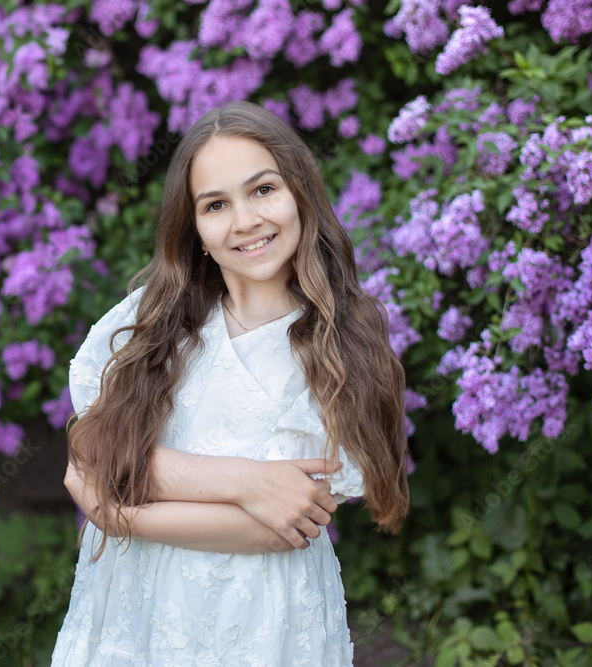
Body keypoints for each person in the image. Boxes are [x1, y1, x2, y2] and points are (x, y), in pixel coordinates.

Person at [51, 100, 410, 666]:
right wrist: (245, 481)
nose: (245, 221)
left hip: (260, 624)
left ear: (300, 195)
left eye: (263, 190)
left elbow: (280, 527)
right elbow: (88, 447)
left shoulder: (340, 347)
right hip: (135, 612)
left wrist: (113, 510)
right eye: (216, 204)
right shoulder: (149, 323)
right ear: (194, 229)